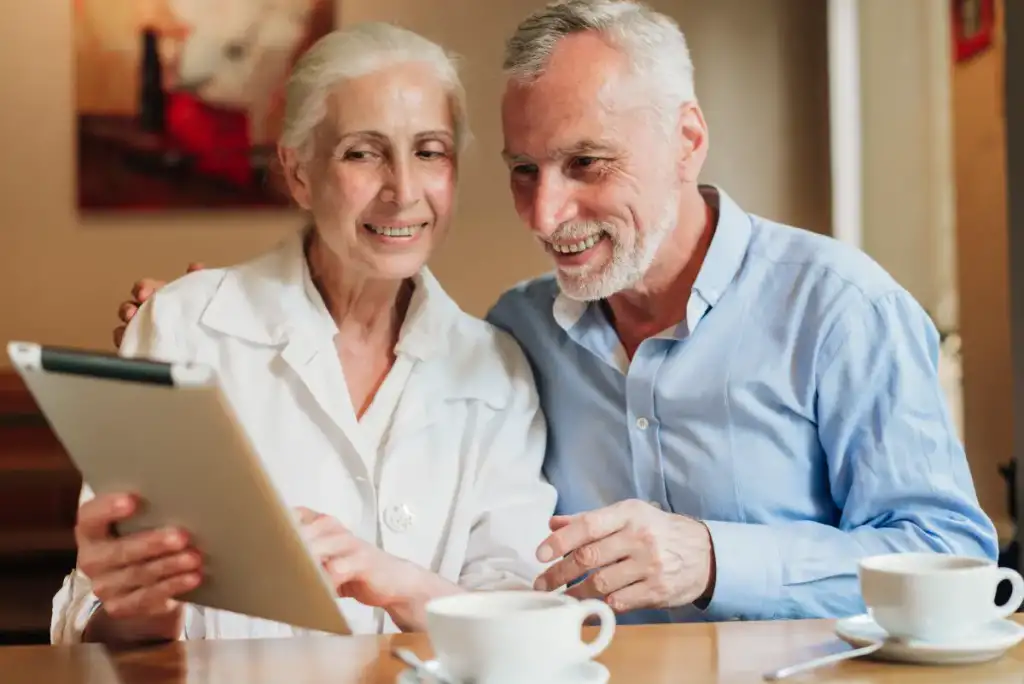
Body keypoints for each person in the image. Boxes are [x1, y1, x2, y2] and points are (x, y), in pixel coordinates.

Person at [115, 0, 999, 626]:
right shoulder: (519, 335)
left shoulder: (839, 309)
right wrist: (202, 318)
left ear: (688, 138)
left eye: (587, 164)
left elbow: (953, 555)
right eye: (524, 169)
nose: (544, 215)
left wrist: (715, 557)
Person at [54, 23, 556, 647]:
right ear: (297, 172)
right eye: (362, 152)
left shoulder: (496, 369)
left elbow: (522, 618)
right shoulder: (184, 326)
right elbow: (94, 625)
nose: (403, 191)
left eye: (429, 151)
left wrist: (398, 583)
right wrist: (147, 604)